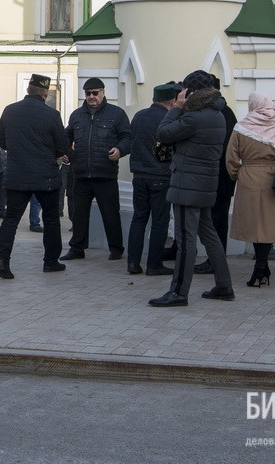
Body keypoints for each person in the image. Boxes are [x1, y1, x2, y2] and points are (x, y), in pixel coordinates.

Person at [149, 70, 235, 307]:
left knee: (186, 241)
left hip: (188, 185)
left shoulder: (194, 118)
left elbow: (164, 133)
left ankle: (178, 292)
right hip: (204, 184)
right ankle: (224, 285)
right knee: (210, 235)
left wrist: (176, 107)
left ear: (191, 92)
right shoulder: (216, 114)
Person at [0, 74, 70, 279]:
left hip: (17, 175)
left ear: (28, 90)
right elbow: (62, 146)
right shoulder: (52, 114)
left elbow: (2, 141)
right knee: (51, 220)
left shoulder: (9, 111)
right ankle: (51, 262)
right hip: (46, 177)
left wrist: (19, 151)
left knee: (10, 220)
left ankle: (2, 260)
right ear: (45, 93)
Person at [226, 92, 275, 287]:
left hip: (248, 175)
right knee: (267, 224)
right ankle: (262, 267)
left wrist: (237, 174)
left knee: (253, 224)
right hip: (272, 178)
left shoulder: (241, 128)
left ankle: (260, 267)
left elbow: (231, 157)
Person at [62, 78, 131, 261]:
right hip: (81, 174)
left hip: (105, 173)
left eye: (95, 93)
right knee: (79, 215)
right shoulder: (76, 115)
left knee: (110, 214)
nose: (91, 97)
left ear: (103, 93)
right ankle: (77, 248)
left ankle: (116, 249)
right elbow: (66, 137)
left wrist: (120, 149)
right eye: (88, 93)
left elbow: (127, 137)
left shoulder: (116, 114)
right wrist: (65, 152)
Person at [126, 83, 178, 276]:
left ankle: (133, 262)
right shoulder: (168, 118)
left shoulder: (139, 116)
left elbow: (132, 141)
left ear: (154, 99)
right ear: (172, 101)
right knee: (159, 221)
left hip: (139, 176)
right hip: (161, 177)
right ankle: (154, 264)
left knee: (138, 219)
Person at [195, 74, 237, 275]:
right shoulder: (225, 112)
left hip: (219, 176)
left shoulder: (221, 113)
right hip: (219, 176)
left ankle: (216, 261)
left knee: (216, 221)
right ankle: (214, 260)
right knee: (213, 220)